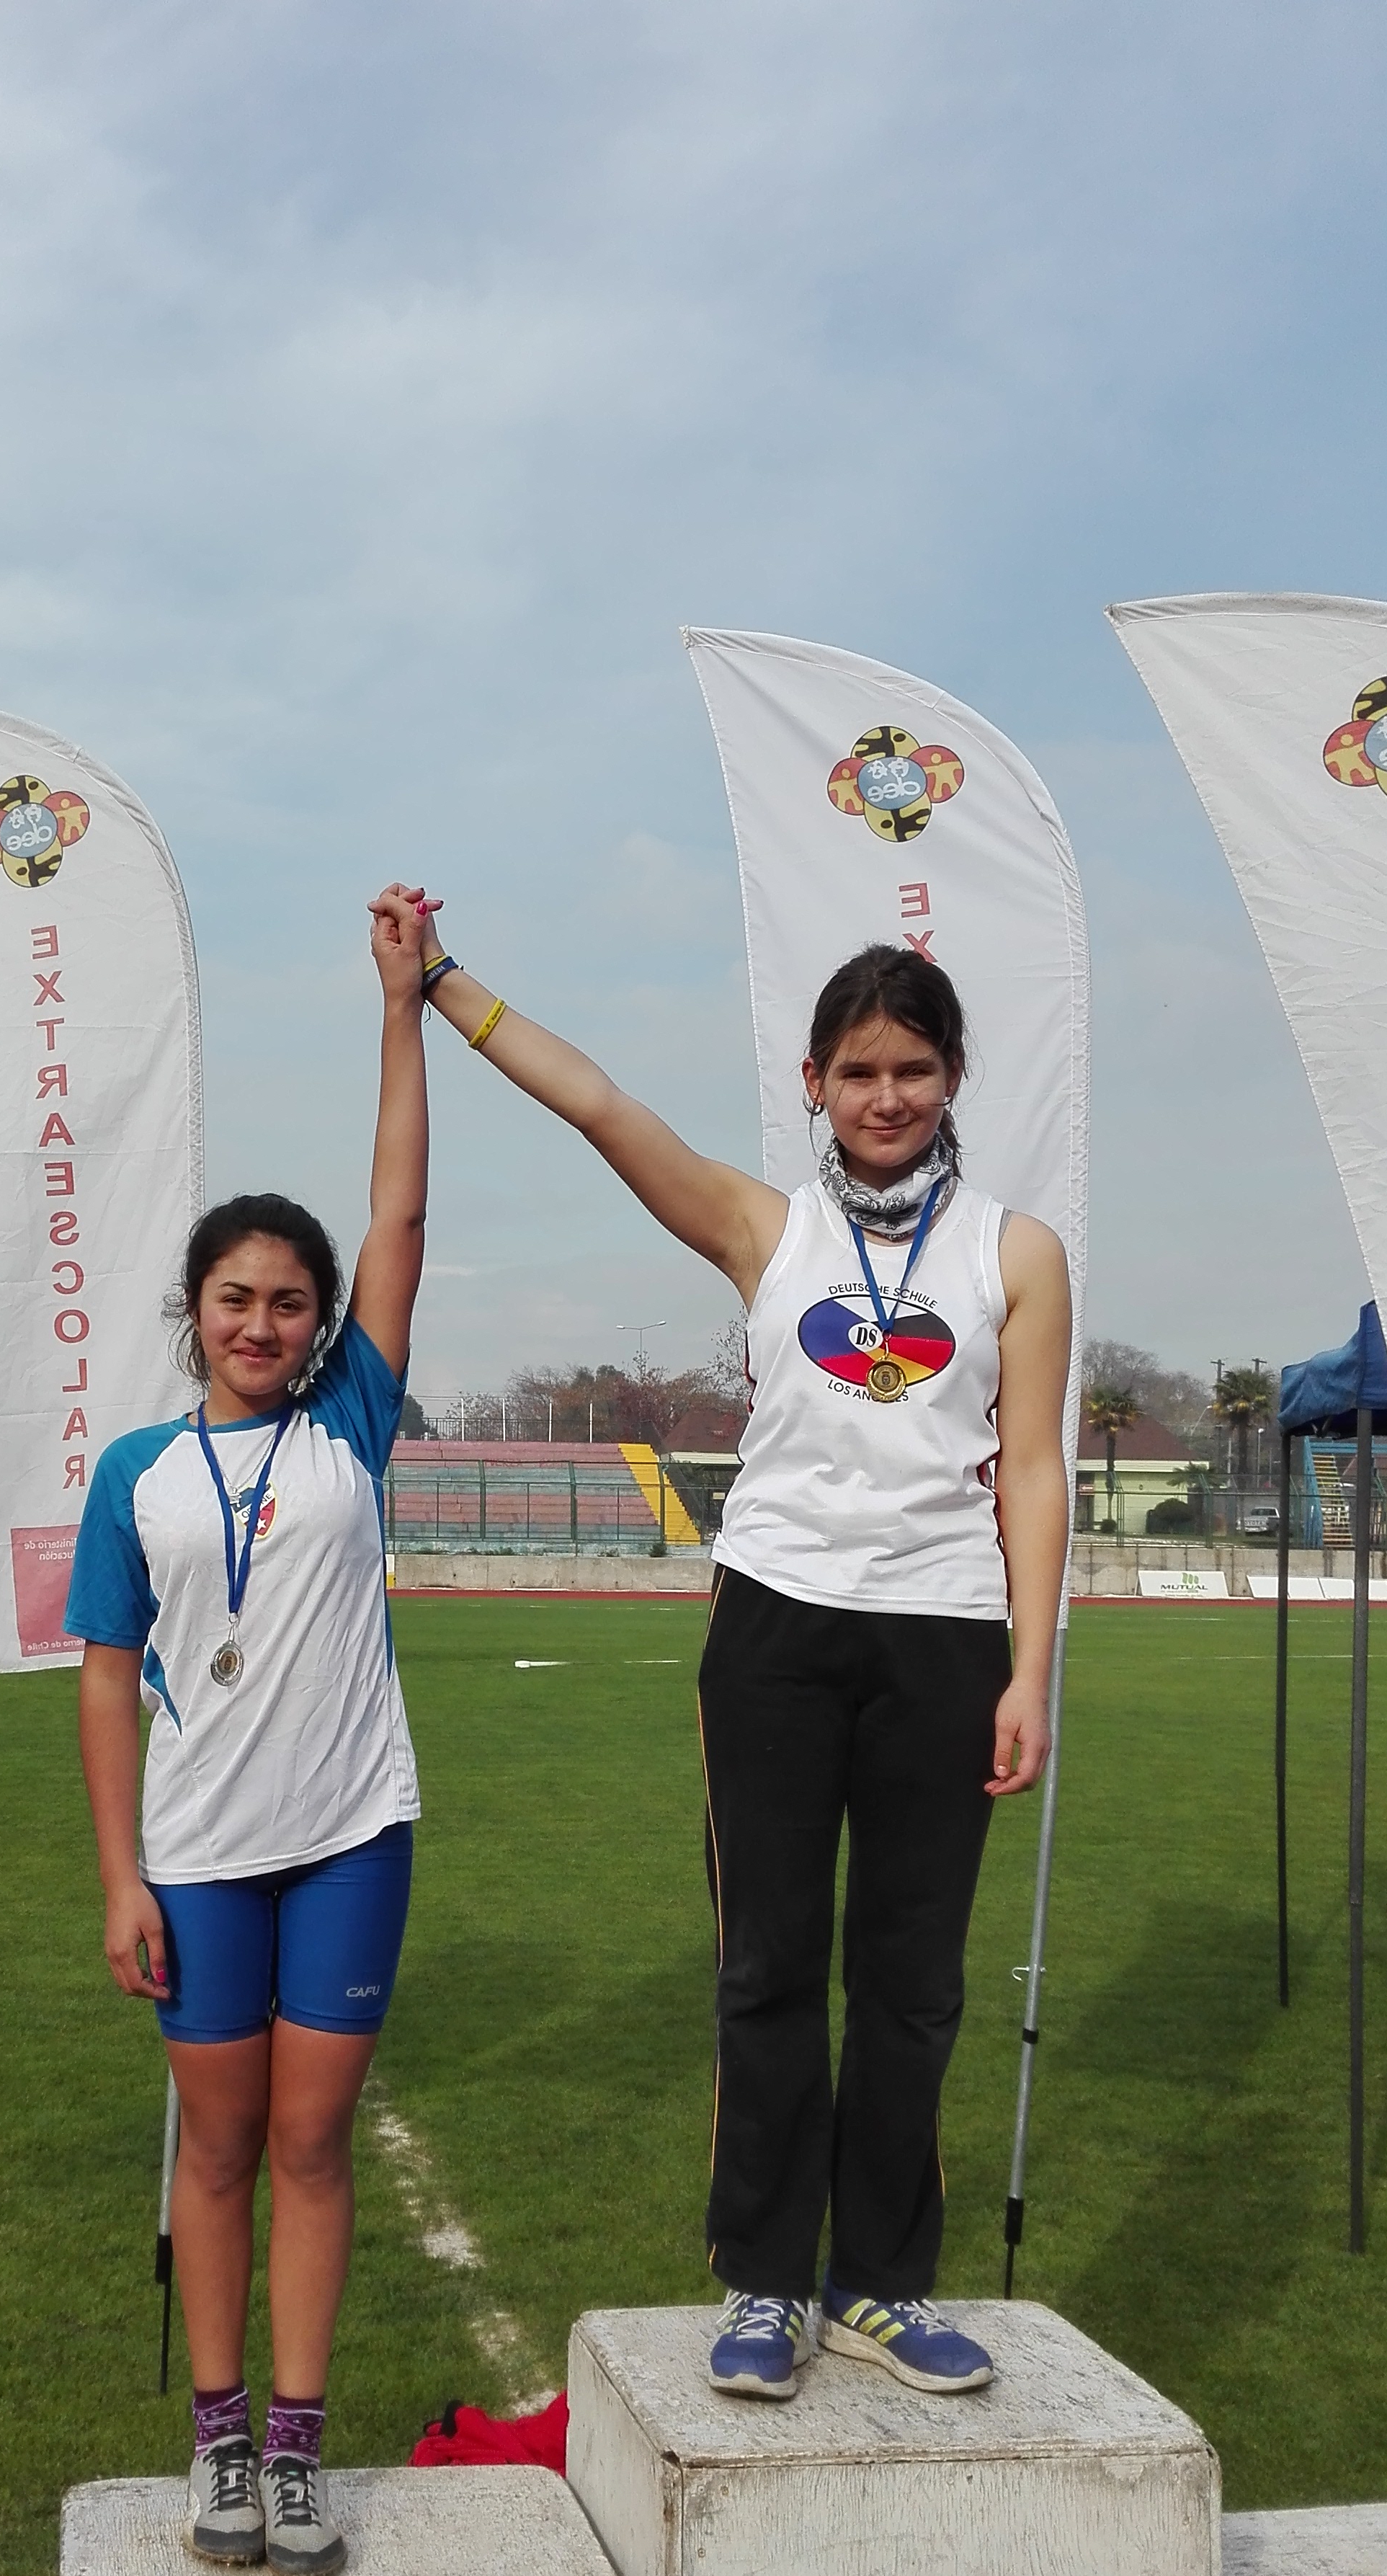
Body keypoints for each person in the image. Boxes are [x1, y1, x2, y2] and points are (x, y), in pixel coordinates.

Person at [412, 920, 1069, 2399]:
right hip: (776, 1626)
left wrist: (1031, 1668)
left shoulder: (1015, 1251)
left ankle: (883, 2283)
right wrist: (444, 984)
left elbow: (1031, 1469)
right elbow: (599, 1105)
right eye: (860, 1071)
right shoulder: (766, 1230)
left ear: (954, 1076)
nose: (888, 1097)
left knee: (913, 1980)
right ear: (815, 1081)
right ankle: (767, 2280)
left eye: (914, 1069)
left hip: (946, 1634)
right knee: (768, 1964)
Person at [63, 885, 433, 2576]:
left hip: (351, 1837)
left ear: (321, 1320)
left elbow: (399, 1208)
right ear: (195, 1309)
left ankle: (295, 2447)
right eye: (236, 1298)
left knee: (310, 2142)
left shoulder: (353, 1418)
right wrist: (119, 1877)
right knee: (217, 2145)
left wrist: (401, 1007)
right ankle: (215, 2436)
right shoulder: (137, 1475)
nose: (263, 1323)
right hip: (200, 1857)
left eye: (291, 1300)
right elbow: (102, 1679)